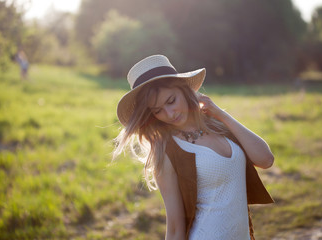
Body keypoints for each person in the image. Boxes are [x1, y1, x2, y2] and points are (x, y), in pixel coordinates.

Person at [113, 55, 274, 240]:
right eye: (157, 111)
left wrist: (220, 114)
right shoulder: (167, 152)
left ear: (184, 90)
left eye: (171, 101)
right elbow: (174, 227)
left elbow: (266, 159)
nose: (169, 114)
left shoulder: (218, 126)